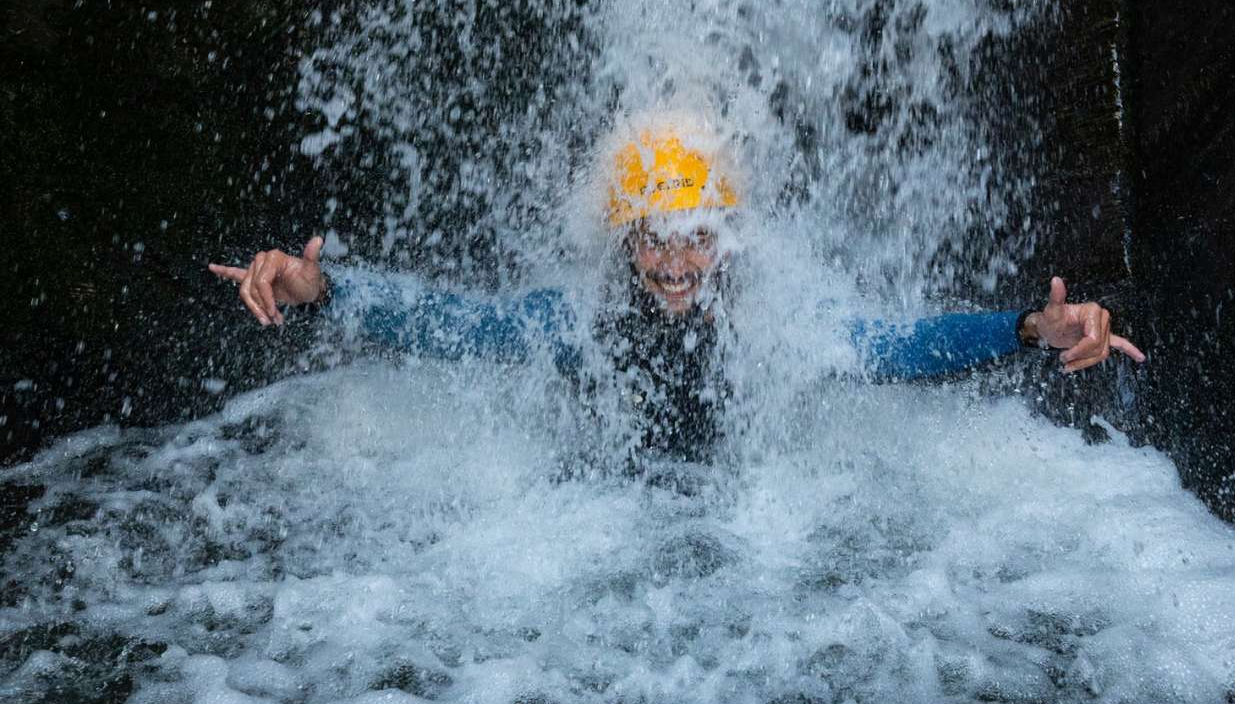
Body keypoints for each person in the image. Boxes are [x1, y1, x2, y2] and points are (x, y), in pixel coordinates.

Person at [210, 124, 1145, 465]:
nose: (674, 264)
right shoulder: (577, 321)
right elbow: (458, 325)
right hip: (612, 530)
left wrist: (1027, 327)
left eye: (697, 236)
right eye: (654, 237)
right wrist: (326, 291)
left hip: (738, 535)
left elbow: (895, 348)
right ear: (626, 241)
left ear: (726, 242)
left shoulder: (774, 321)